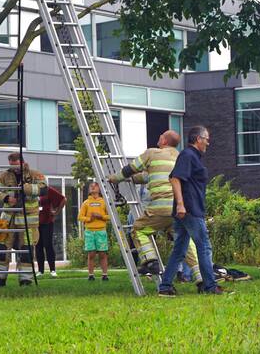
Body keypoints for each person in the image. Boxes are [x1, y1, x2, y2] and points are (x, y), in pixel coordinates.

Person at [108, 130, 205, 286]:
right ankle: (200, 276)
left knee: (138, 229)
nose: (158, 139)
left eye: (160, 137)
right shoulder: (181, 157)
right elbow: (147, 176)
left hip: (161, 208)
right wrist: (135, 179)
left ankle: (150, 261)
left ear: (164, 141)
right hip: (180, 208)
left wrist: (114, 178)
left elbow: (130, 169)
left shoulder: (152, 153)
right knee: (183, 240)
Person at [158, 126, 224, 296]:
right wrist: (180, 204)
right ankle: (210, 286)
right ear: (198, 139)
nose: (208, 142)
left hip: (187, 210)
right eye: (206, 139)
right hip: (189, 210)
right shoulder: (188, 155)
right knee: (204, 247)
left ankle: (165, 287)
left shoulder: (193, 157)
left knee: (180, 249)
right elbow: (175, 178)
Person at [0, 152, 47, 286]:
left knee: (26, 252)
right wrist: (6, 198)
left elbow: (44, 189)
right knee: (1, 250)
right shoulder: (3, 176)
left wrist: (25, 188)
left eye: (16, 165)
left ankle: (25, 280)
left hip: (28, 220)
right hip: (7, 220)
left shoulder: (34, 174)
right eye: (11, 165)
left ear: (22, 162)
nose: (13, 168)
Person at [77, 182, 110, 281]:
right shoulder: (86, 203)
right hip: (89, 231)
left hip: (101, 231)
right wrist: (89, 219)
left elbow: (111, 216)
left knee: (102, 253)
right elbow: (80, 217)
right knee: (91, 254)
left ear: (100, 189)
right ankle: (91, 275)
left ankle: (105, 274)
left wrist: (102, 217)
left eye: (95, 185)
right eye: (91, 185)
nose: (93, 186)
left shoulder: (104, 202)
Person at [36, 185, 66, 276]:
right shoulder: (31, 190)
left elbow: (63, 199)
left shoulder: (47, 190)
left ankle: (52, 270)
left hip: (47, 222)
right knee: (38, 246)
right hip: (35, 223)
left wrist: (56, 212)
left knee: (48, 245)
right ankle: (40, 271)